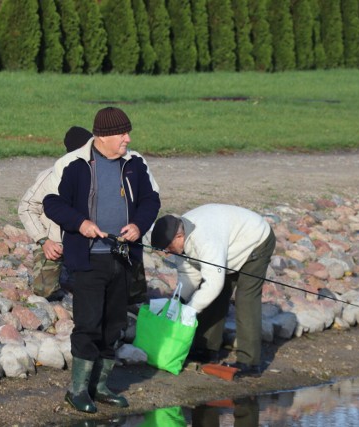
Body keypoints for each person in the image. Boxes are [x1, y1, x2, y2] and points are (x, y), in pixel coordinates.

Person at [43, 107, 161, 413]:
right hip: (87, 260)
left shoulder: (135, 163)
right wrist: (81, 224)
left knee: (114, 325)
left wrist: (138, 225)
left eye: (127, 133)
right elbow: (52, 203)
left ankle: (101, 386)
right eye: (123, 133)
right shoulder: (72, 164)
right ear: (104, 136)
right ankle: (77, 390)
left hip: (122, 258)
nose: (128, 138)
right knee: (89, 325)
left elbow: (151, 200)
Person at [150, 204, 276, 378]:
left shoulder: (205, 239)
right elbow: (189, 277)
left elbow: (213, 283)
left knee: (245, 298)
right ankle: (206, 349)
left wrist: (191, 309)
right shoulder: (181, 240)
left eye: (168, 248)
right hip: (228, 246)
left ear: (179, 236)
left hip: (255, 240)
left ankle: (249, 362)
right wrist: (178, 302)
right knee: (213, 295)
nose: (166, 253)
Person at [18, 126, 93, 301]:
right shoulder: (51, 176)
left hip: (91, 243)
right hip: (57, 243)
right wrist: (44, 240)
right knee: (45, 291)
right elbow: (26, 207)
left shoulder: (104, 174)